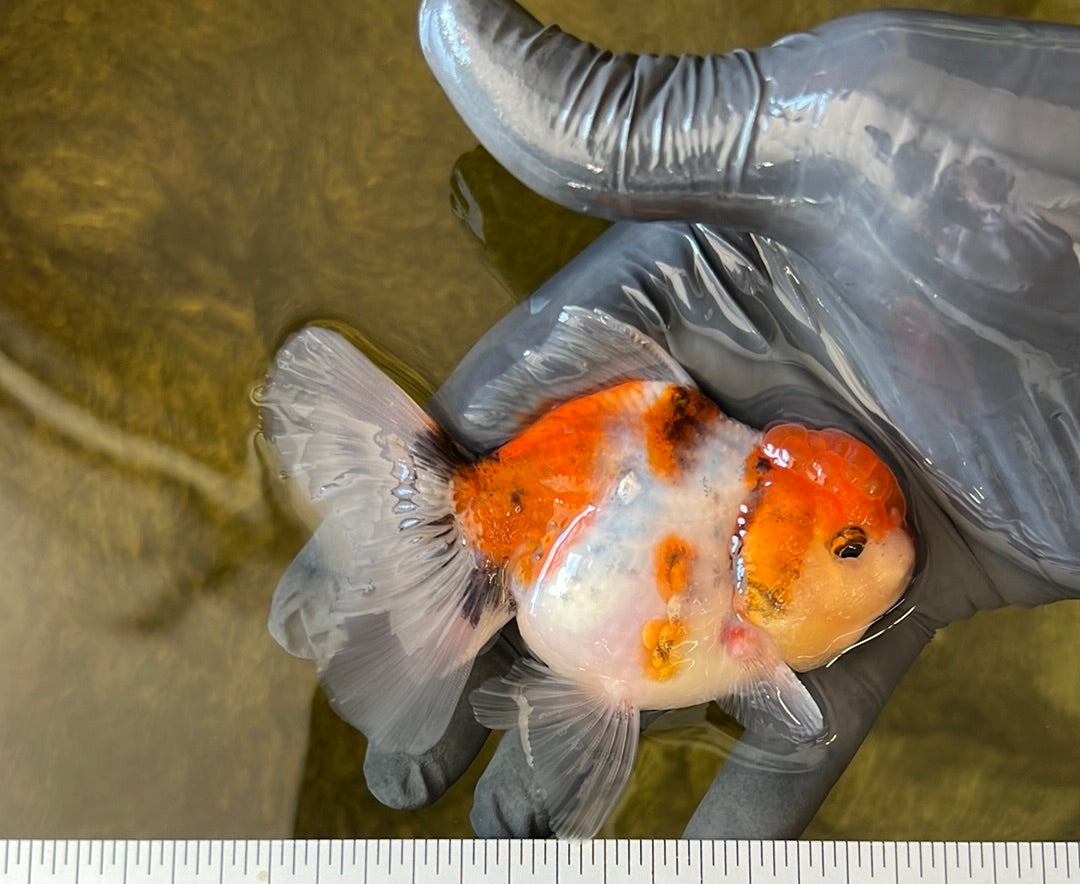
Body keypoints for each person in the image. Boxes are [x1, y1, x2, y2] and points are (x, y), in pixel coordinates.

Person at [361, 0, 1080, 837]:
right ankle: (439, 522)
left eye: (854, 540)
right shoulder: (743, 597)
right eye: (849, 544)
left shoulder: (761, 539)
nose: (897, 548)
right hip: (569, 530)